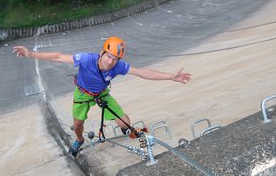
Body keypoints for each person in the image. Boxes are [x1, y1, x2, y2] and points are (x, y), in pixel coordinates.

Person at [13, 36, 191, 156]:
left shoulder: (118, 67)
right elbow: (59, 57)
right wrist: (31, 54)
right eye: (109, 57)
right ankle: (79, 140)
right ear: (102, 53)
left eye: (115, 59)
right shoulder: (86, 59)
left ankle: (124, 129)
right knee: (77, 125)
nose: (110, 62)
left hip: (102, 94)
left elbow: (142, 73)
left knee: (125, 121)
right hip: (83, 94)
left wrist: (171, 76)